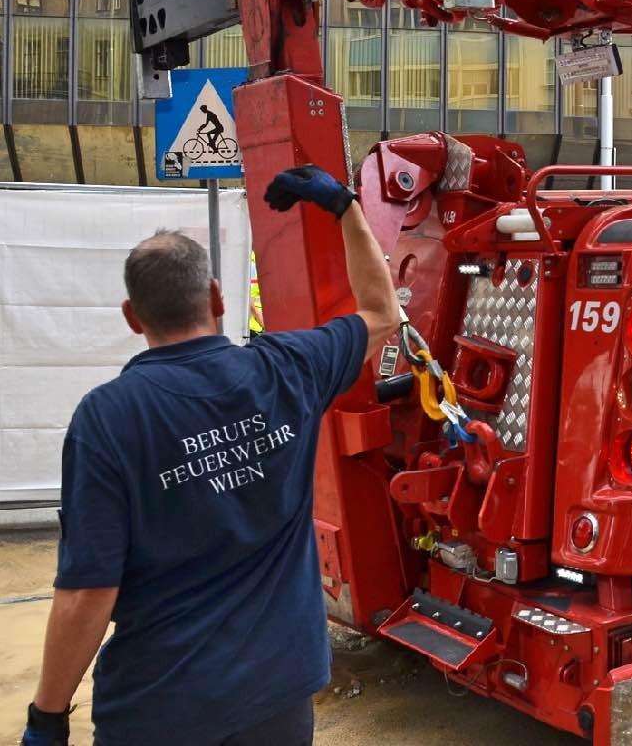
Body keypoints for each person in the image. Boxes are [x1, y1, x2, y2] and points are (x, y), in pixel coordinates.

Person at [21, 165, 399, 746]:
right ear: (218, 298)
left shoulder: (107, 418)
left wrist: (48, 716)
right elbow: (383, 312)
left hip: (162, 707)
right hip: (278, 696)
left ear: (132, 317)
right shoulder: (288, 369)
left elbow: (88, 592)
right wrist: (345, 206)